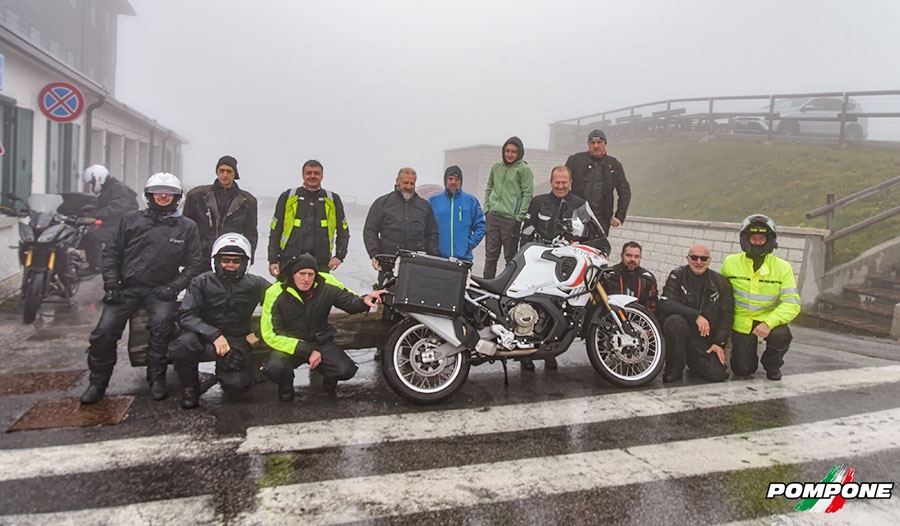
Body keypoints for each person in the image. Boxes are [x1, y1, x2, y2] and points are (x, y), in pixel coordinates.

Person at [80, 173, 204, 405]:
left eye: (169, 193)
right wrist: (112, 284)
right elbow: (111, 253)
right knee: (104, 332)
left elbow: (194, 263)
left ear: (177, 197)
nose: (163, 196)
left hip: (160, 290)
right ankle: (97, 383)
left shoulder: (187, 227)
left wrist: (174, 287)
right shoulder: (130, 220)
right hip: (125, 288)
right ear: (149, 196)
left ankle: (156, 379)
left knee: (161, 328)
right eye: (158, 192)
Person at [259, 253, 387, 401]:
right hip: (290, 344)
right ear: (293, 274)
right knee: (274, 368)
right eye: (302, 274)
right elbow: (269, 334)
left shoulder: (327, 283)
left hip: (319, 341)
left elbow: (349, 301)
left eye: (310, 274)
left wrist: (364, 300)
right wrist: (307, 350)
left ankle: (330, 379)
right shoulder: (275, 292)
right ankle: (286, 386)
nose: (306, 279)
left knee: (345, 370)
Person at [519, 165, 610, 371]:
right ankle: (526, 354)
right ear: (551, 182)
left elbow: (591, 233)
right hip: (540, 261)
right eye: (557, 182)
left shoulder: (580, 204)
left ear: (570, 182)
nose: (560, 186)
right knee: (534, 304)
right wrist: (523, 257)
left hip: (567, 265)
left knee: (560, 308)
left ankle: (550, 352)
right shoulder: (538, 202)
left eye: (564, 182)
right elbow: (527, 230)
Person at [169, 233, 271, 409]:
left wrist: (259, 334)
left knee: (238, 386)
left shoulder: (257, 284)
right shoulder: (200, 282)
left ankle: (220, 376)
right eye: (225, 260)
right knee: (183, 345)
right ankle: (190, 388)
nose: (230, 264)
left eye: (236, 261)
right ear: (216, 260)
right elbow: (186, 315)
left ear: (245, 262)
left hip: (236, 339)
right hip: (203, 337)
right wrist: (214, 335)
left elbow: (280, 308)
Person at [720, 214, 800, 381]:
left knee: (782, 335)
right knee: (743, 369)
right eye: (753, 238)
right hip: (741, 322)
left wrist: (769, 323)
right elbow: (722, 296)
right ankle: (745, 354)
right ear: (745, 239)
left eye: (762, 238)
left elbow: (791, 303)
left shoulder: (783, 267)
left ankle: (772, 363)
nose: (757, 242)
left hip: (768, 320)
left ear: (769, 240)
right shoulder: (730, 262)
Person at [657, 244, 732, 383]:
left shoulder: (720, 282)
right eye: (694, 257)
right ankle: (674, 368)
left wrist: (719, 343)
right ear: (687, 258)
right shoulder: (677, 275)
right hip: (679, 332)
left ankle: (693, 360)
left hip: (703, 338)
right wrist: (696, 315)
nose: (698, 262)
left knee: (718, 374)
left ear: (709, 260)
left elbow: (726, 315)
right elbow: (665, 303)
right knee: (674, 322)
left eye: (703, 258)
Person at [268, 159, 349, 277]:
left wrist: (339, 256)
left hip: (321, 261)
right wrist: (273, 260)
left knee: (321, 289)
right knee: (285, 289)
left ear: (322, 176)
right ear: (303, 175)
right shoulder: (288, 196)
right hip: (289, 259)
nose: (312, 176)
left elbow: (343, 231)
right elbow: (275, 230)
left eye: (316, 173)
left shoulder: (332, 199)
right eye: (309, 173)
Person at [363, 167, 440, 284]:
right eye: (405, 183)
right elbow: (370, 230)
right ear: (397, 181)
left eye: (412, 183)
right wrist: (375, 253)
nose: (409, 187)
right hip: (389, 263)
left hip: (417, 264)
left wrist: (432, 258)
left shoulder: (424, 207)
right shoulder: (382, 203)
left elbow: (432, 234)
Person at [183, 155, 258, 268]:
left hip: (230, 258)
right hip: (201, 256)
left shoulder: (247, 201)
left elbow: (251, 234)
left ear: (235, 174)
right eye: (221, 171)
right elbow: (187, 229)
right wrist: (186, 255)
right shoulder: (196, 196)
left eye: (229, 171)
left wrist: (248, 259)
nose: (225, 175)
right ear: (217, 172)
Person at [482, 136, 533, 279]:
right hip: (493, 217)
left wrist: (519, 217)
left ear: (519, 153)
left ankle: (507, 287)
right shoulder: (496, 167)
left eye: (513, 152)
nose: (510, 154)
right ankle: (486, 285)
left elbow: (527, 193)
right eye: (507, 151)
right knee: (490, 256)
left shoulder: (524, 170)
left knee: (510, 258)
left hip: (511, 220)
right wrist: (487, 209)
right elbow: (489, 187)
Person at [566, 129, 631, 235]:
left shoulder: (614, 164)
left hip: (601, 219)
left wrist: (620, 215)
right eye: (593, 143)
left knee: (598, 245)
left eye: (599, 142)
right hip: (576, 216)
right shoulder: (575, 160)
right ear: (588, 144)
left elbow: (625, 192)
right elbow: (562, 184)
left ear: (605, 143)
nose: (596, 146)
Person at [78, 164, 139, 276]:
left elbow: (117, 207)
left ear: (98, 178)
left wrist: (98, 214)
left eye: (92, 183)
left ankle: (96, 267)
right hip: (118, 222)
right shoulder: (110, 188)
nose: (92, 186)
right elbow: (106, 204)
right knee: (84, 234)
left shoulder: (117, 188)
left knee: (92, 237)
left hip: (124, 225)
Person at [428, 165, 485, 261]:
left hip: (463, 260)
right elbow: (426, 227)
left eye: (457, 179)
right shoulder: (433, 201)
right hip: (438, 259)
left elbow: (481, 227)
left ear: (461, 182)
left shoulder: (471, 201)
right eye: (450, 179)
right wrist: (431, 246)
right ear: (445, 180)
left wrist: (468, 244)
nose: (453, 182)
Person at [603, 241, 658, 315]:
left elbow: (653, 307)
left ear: (640, 258)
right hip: (610, 318)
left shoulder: (647, 279)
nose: (632, 259)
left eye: (636, 256)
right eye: (629, 255)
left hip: (638, 320)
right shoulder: (609, 276)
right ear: (621, 255)